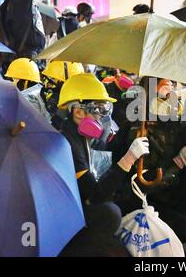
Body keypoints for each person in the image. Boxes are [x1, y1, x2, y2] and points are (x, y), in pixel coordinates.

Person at [58, 73, 150, 256]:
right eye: (98, 109)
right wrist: (129, 158)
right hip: (67, 214)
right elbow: (96, 194)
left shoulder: (83, 136)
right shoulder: (67, 142)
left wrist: (127, 131)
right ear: (78, 112)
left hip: (81, 203)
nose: (103, 116)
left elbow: (106, 161)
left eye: (106, 109)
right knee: (110, 214)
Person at [115, 78, 186, 244]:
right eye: (166, 85)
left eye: (173, 85)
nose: (172, 90)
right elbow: (143, 185)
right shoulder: (139, 127)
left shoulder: (173, 123)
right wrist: (178, 163)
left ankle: (179, 216)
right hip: (141, 200)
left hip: (167, 194)